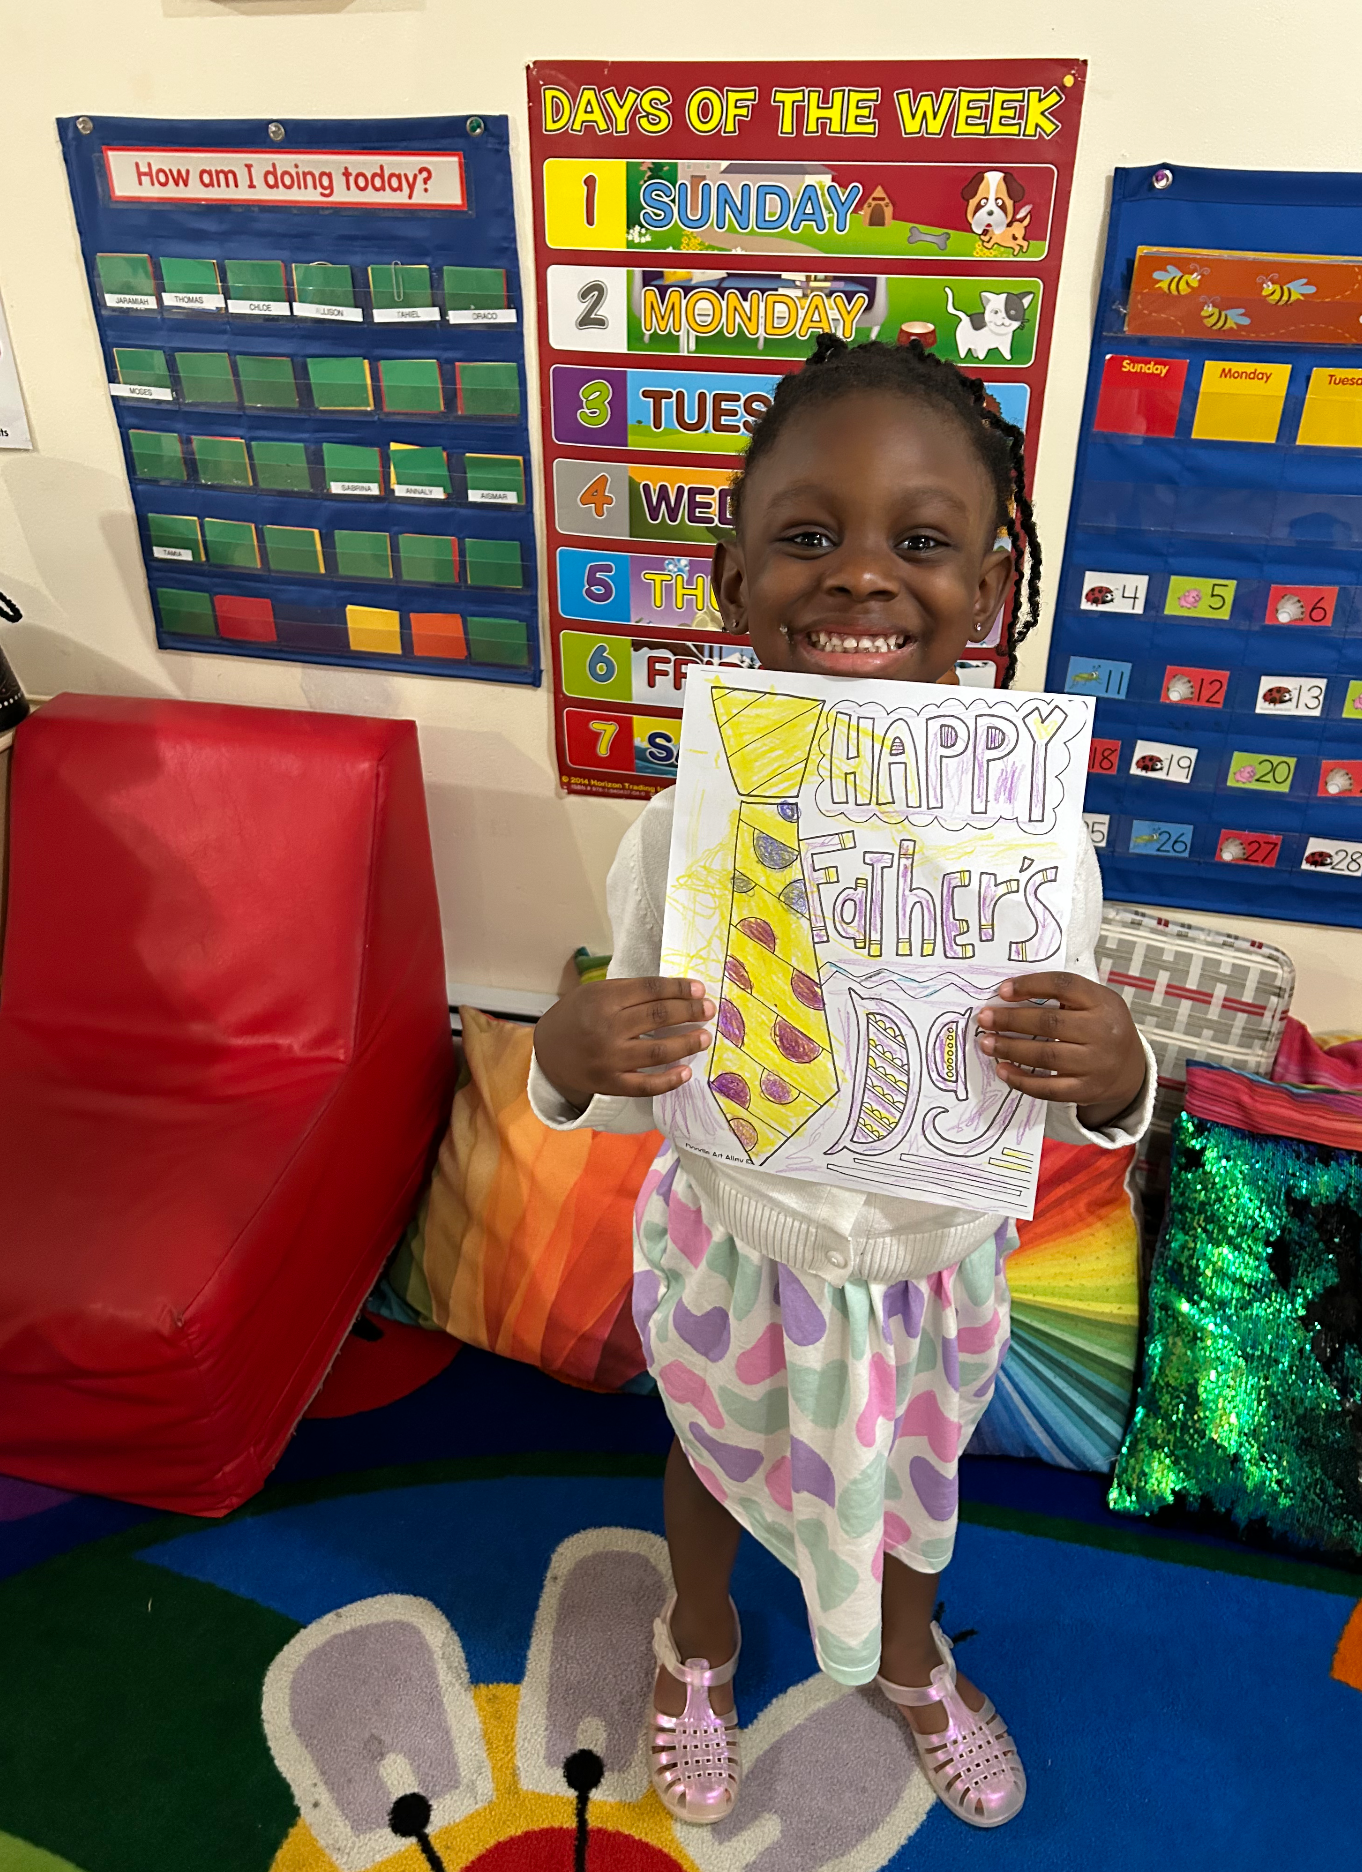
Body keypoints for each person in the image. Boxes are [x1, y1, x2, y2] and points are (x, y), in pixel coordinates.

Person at [530, 335, 1155, 1832]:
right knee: (708, 1456)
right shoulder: (680, 827)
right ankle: (701, 1640)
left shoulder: (1037, 844)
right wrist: (567, 1049)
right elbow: (610, 1051)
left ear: (989, 595)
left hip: (933, 1268)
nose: (862, 576)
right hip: (740, 1243)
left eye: (919, 543)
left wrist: (1116, 1065)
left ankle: (912, 1653)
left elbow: (1074, 1073)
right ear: (730, 583)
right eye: (806, 537)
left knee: (915, 1477)